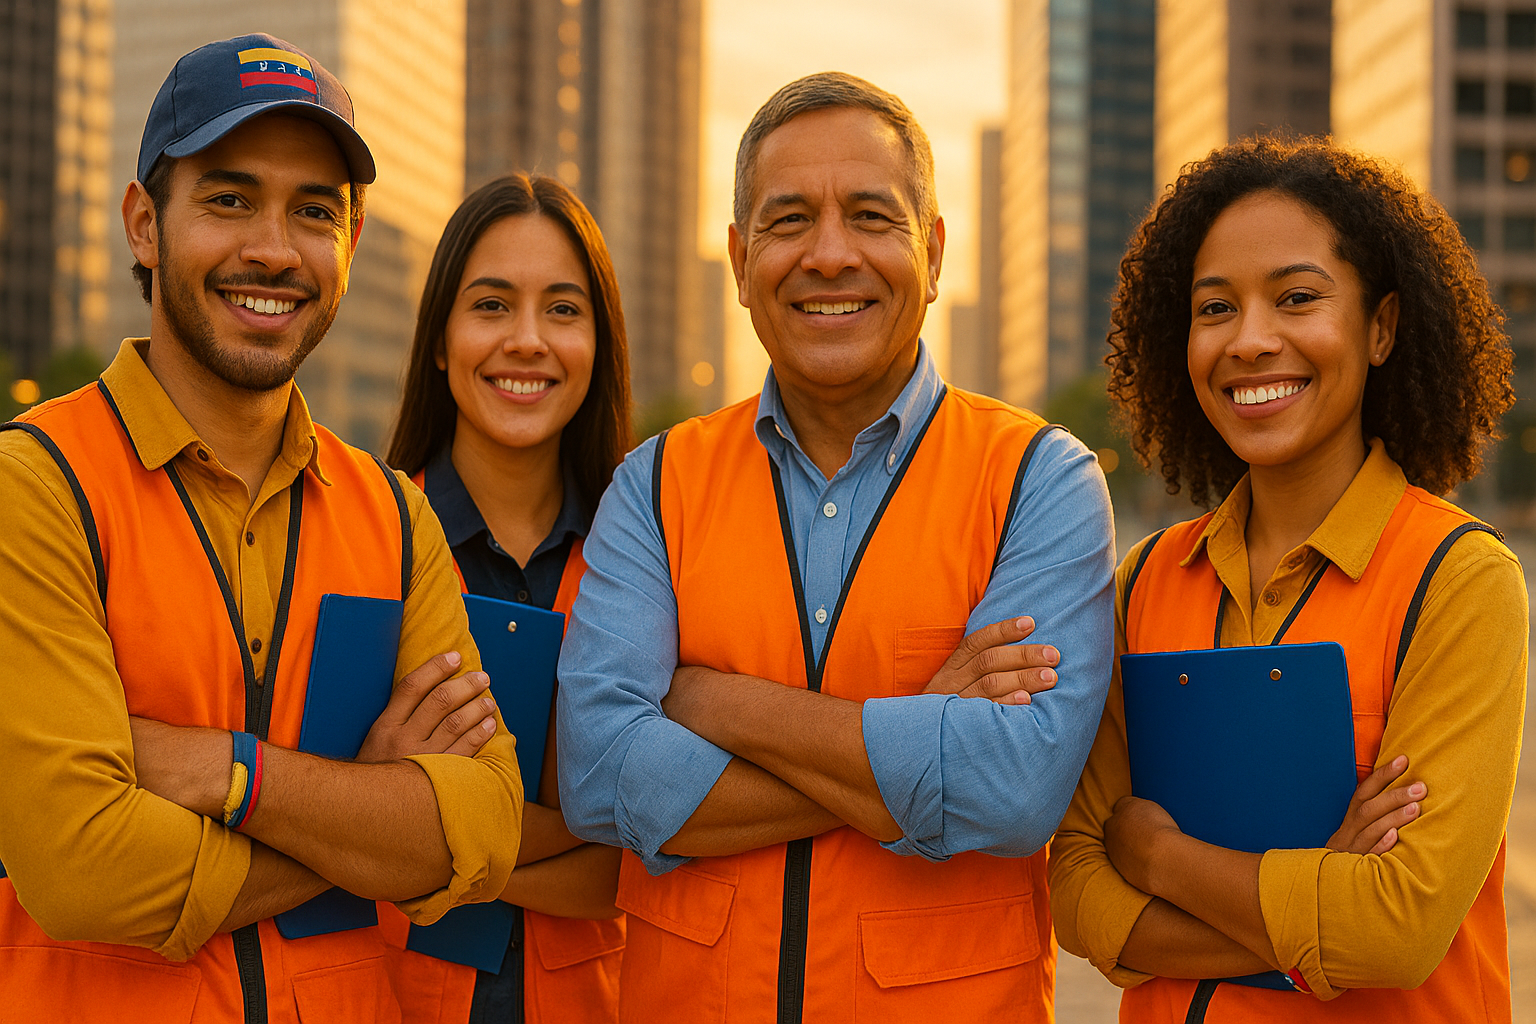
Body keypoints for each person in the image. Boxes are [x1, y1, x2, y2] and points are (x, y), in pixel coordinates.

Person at [556, 71, 1116, 1022]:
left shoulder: (1041, 478)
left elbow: (1014, 790)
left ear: (933, 254)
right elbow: (598, 776)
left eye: (870, 216)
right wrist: (923, 728)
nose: (828, 254)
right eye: (788, 221)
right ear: (740, 262)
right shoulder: (655, 483)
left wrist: (713, 701)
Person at [0, 34, 523, 1023]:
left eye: (314, 211)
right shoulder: (37, 487)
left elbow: (487, 830)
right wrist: (362, 811)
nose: (275, 250)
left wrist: (226, 773)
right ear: (145, 224)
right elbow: (82, 868)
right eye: (230, 200)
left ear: (351, 244)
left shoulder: (392, 514)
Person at [1048, 136, 1526, 1021]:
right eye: (1215, 308)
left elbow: (1397, 932)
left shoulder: (1459, 579)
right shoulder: (1144, 580)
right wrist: (1320, 900)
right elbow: (1077, 895)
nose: (1252, 340)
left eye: (1298, 298)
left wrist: (1159, 861)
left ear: (1380, 328)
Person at [380, 174, 630, 1024]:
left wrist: (422, 838)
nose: (527, 340)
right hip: (394, 1001)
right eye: (491, 306)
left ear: (598, 344)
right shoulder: (364, 541)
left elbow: (647, 848)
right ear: (440, 340)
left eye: (563, 310)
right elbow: (325, 826)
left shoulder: (652, 562)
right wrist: (575, 838)